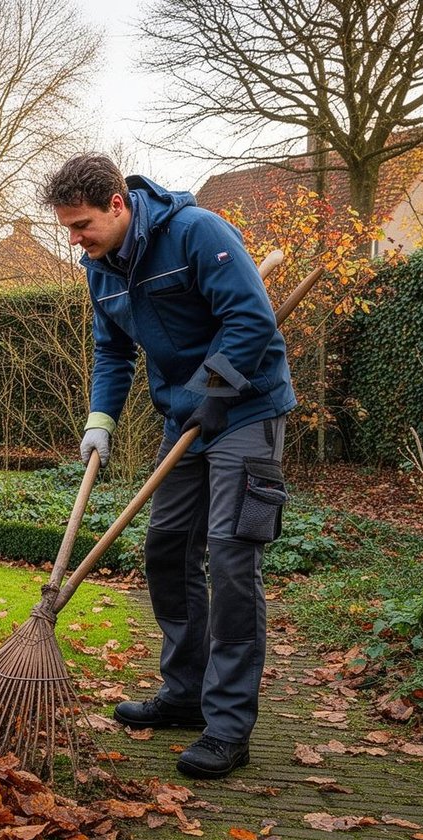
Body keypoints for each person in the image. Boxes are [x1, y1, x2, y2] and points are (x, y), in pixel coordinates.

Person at [43, 153, 295, 779]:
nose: (75, 240)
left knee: (233, 558)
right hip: (185, 417)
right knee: (168, 548)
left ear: (119, 204)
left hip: (247, 409)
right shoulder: (101, 269)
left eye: (82, 225)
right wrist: (100, 419)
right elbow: (112, 349)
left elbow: (251, 318)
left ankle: (228, 725)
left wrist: (215, 391)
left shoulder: (197, 232)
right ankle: (183, 692)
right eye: (68, 228)